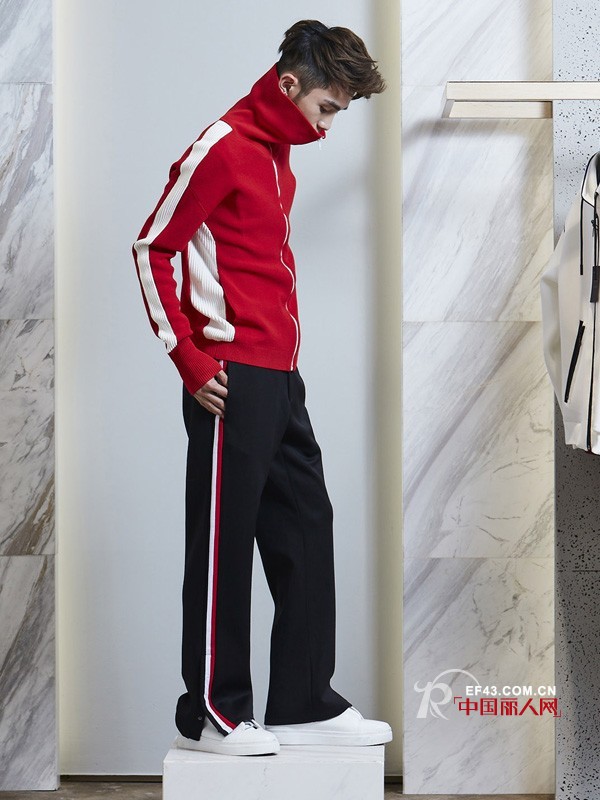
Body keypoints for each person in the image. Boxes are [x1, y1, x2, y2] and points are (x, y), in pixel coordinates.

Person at [132, 19, 391, 757]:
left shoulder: (279, 158)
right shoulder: (221, 147)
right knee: (223, 543)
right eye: (327, 108)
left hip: (280, 376)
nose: (329, 126)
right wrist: (188, 358)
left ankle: (304, 701)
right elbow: (151, 247)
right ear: (288, 85)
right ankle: (214, 713)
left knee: (306, 524)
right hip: (229, 378)